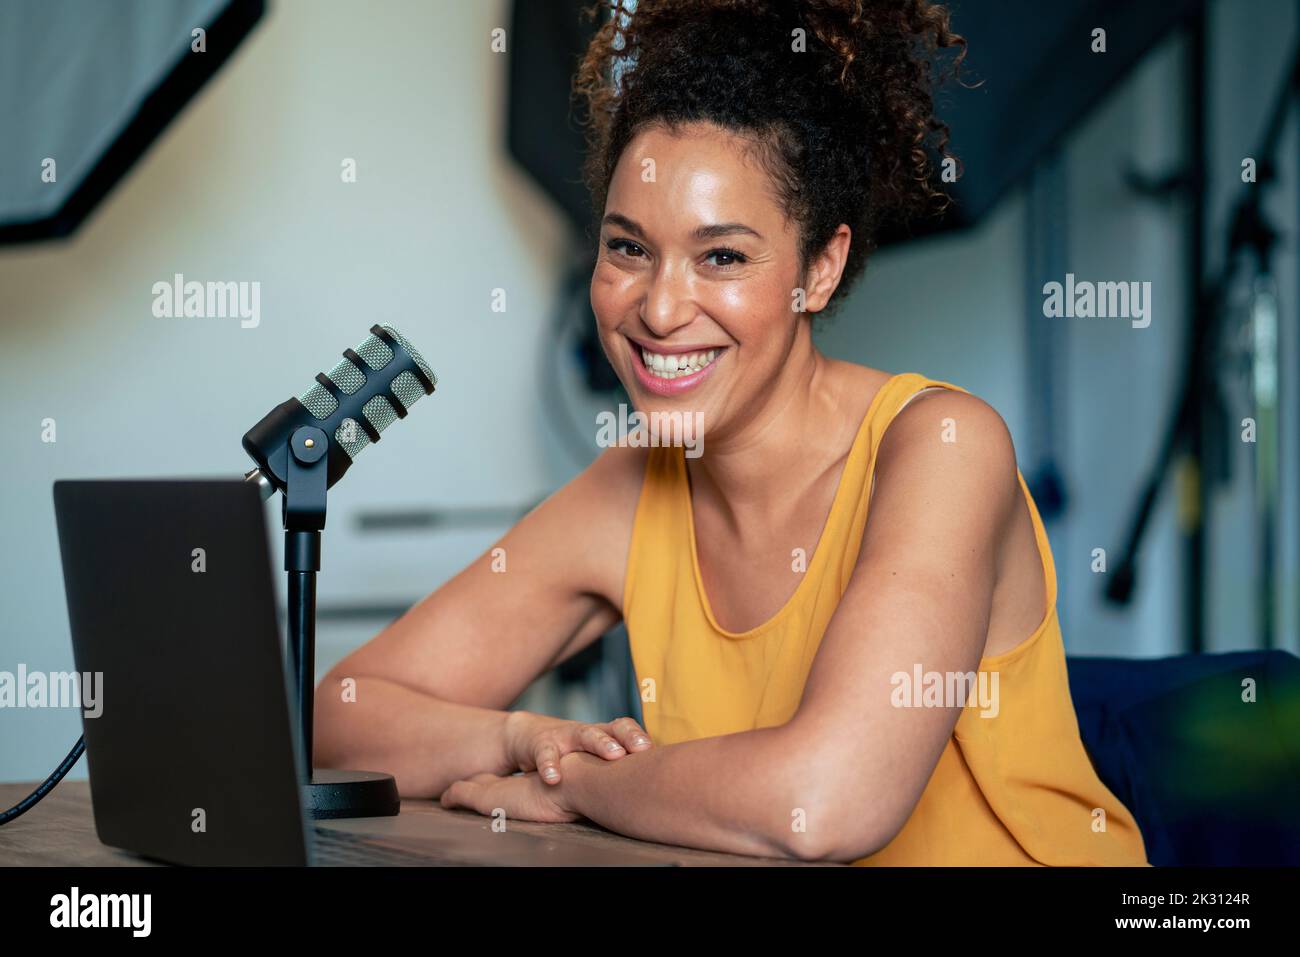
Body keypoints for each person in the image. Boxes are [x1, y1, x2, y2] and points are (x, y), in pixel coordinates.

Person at [315, 0, 1148, 866]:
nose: (661, 309)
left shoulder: (942, 446)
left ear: (819, 269)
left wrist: (574, 787)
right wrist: (526, 739)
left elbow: (822, 804)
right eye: (629, 248)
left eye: (723, 257)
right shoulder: (634, 486)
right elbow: (338, 713)